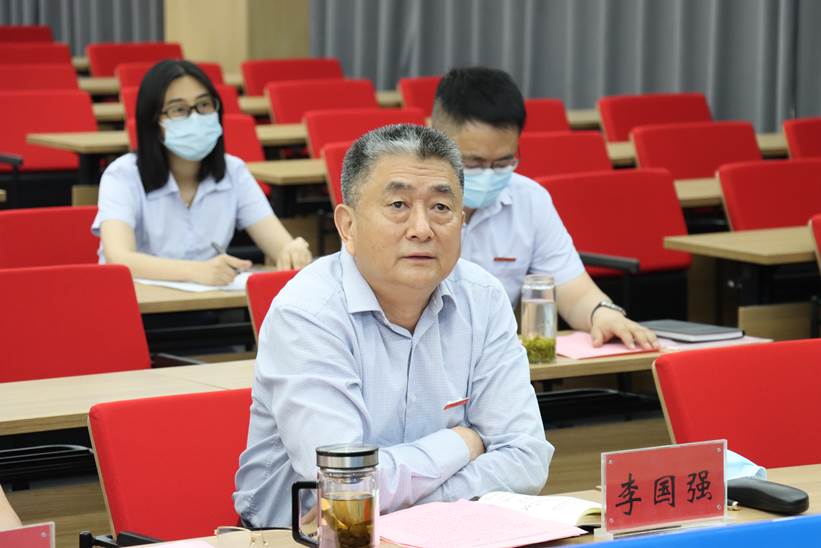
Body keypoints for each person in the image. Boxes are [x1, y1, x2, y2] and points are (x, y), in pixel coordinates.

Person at [234, 124, 552, 527]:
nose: (422, 228)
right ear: (347, 226)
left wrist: (406, 505)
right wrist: (462, 441)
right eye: (398, 205)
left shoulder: (483, 298)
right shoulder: (307, 313)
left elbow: (527, 459)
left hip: (448, 532)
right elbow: (346, 486)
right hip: (300, 539)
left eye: (441, 207)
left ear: (461, 220)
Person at [431, 67, 657, 349]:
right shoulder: (401, 204)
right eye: (473, 162)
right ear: (436, 139)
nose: (489, 174)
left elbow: (575, 293)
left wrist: (604, 314)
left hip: (491, 356)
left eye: (503, 162)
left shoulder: (529, 199)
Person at [92, 60, 311, 285]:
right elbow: (119, 258)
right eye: (179, 109)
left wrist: (291, 251)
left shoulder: (233, 171)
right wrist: (196, 271)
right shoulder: (122, 175)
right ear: (153, 122)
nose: (195, 117)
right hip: (138, 300)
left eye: (204, 105)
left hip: (209, 301)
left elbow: (279, 244)